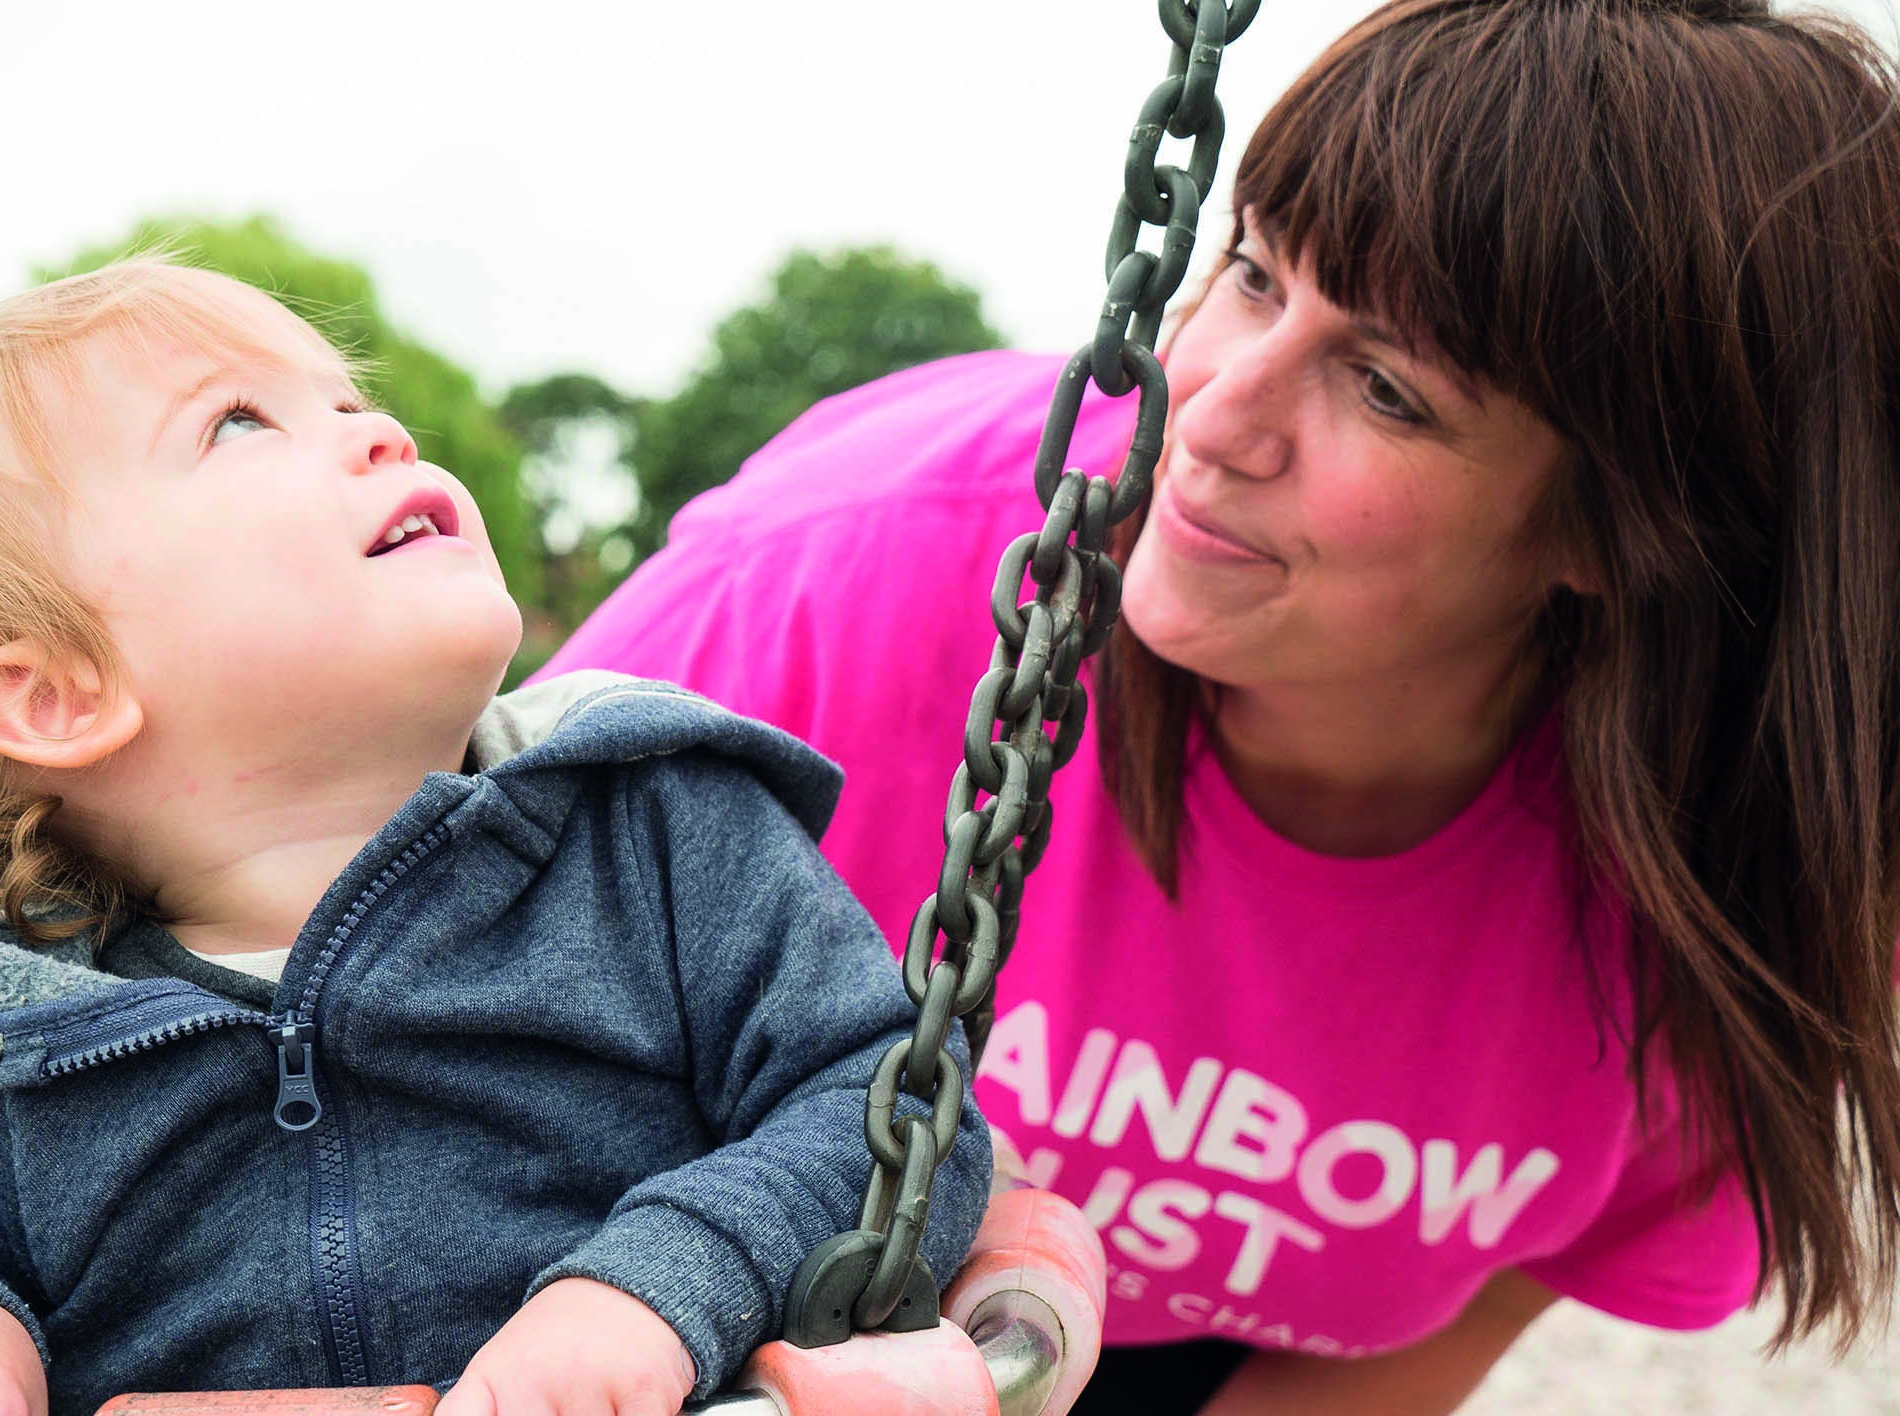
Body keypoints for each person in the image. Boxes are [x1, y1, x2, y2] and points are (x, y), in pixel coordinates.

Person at [543, 0, 1900, 1410]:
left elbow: (1496, 1292)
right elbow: (395, 1000)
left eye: (1384, 388)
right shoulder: (834, 584)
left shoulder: (1743, 881)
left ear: (1627, 535)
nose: (1208, 415)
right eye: (1252, 275)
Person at [0, 260, 992, 1416]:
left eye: (349, 399)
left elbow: (885, 1113)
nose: (382, 433)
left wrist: (651, 1290)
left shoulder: (655, 838)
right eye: (240, 424)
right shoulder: (26, 1024)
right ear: (57, 699)